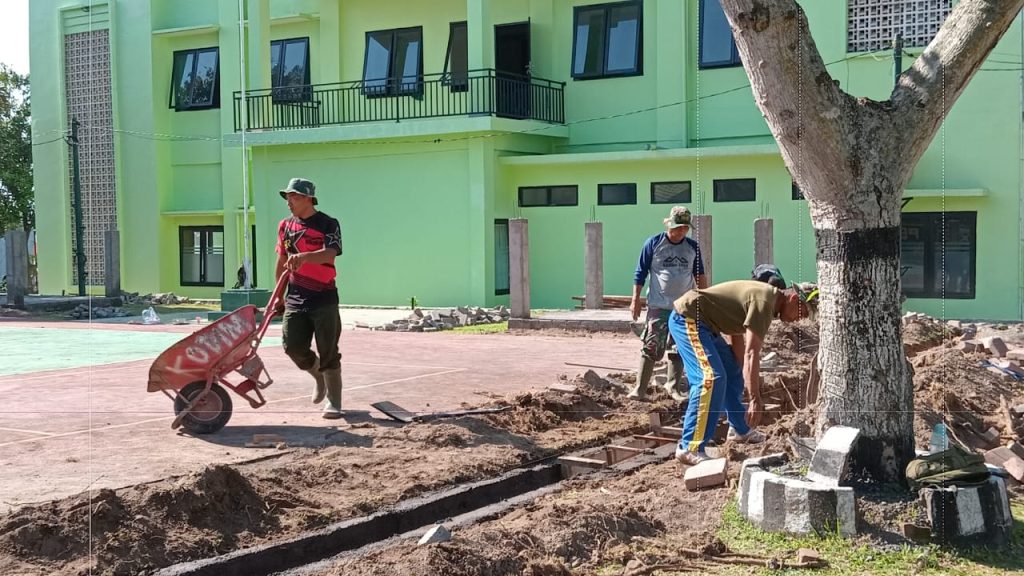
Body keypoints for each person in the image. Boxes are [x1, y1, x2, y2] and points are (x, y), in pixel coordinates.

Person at [669, 279, 819, 465]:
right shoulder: (764, 302)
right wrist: (755, 397)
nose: (799, 319)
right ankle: (689, 447)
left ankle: (740, 429)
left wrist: (740, 373)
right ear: (794, 298)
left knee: (731, 372)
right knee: (710, 378)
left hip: (708, 326)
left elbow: (736, 330)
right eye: (802, 312)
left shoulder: (769, 300)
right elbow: (751, 353)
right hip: (688, 319)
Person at [275, 177, 345, 419]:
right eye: (287, 197)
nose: (289, 202)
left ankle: (334, 401)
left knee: (328, 349)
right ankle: (317, 375)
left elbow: (330, 253)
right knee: (292, 345)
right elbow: (282, 261)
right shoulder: (285, 225)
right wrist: (279, 295)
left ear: (308, 198)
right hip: (295, 295)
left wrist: (305, 256)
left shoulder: (328, 223)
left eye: (293, 197)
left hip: (324, 295)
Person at [627, 206, 707, 400]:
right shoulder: (654, 243)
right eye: (678, 227)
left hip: (683, 308)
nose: (681, 232)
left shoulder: (692, 247)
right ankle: (640, 389)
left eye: (684, 229)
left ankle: (673, 388)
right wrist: (635, 300)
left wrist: (705, 301)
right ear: (670, 225)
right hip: (658, 305)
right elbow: (640, 273)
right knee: (651, 345)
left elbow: (700, 275)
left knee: (679, 346)